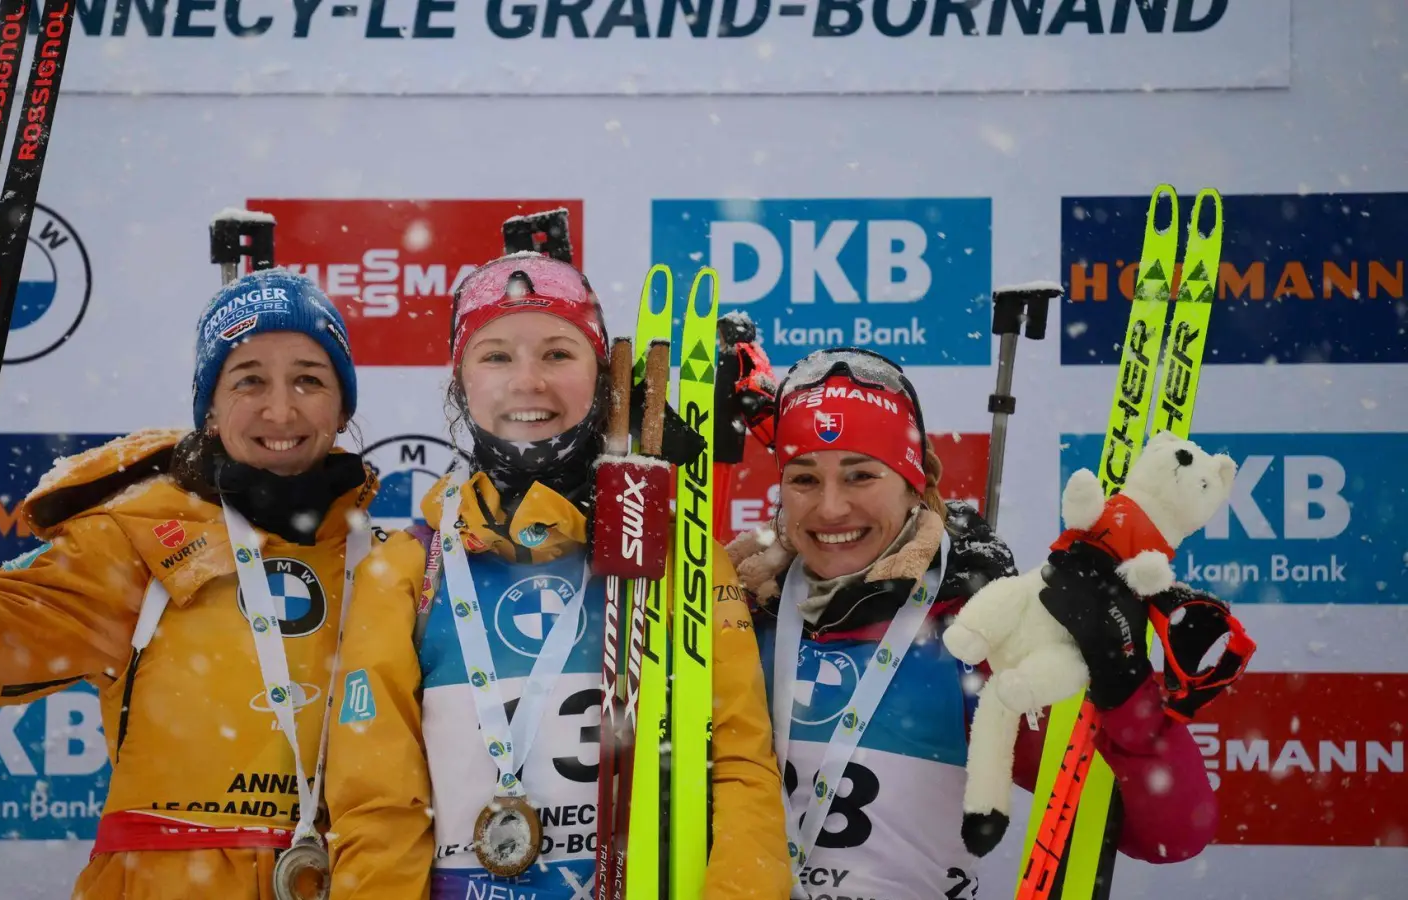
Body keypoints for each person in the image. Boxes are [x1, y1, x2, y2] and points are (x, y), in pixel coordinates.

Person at [0, 269, 375, 899]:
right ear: (209, 406)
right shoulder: (137, 545)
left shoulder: (389, 566)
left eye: (309, 379)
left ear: (342, 408)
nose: (279, 408)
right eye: (248, 378)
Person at [323, 252, 795, 899]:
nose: (528, 382)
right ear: (459, 380)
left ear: (601, 376)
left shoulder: (678, 552)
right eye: (495, 356)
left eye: (557, 354)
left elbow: (741, 771)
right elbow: (375, 811)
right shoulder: (408, 569)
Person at [724, 347, 1219, 900]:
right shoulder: (735, 621)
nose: (831, 508)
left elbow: (1172, 833)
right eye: (804, 479)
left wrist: (1122, 682)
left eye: (861, 475)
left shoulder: (973, 635)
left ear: (914, 485)